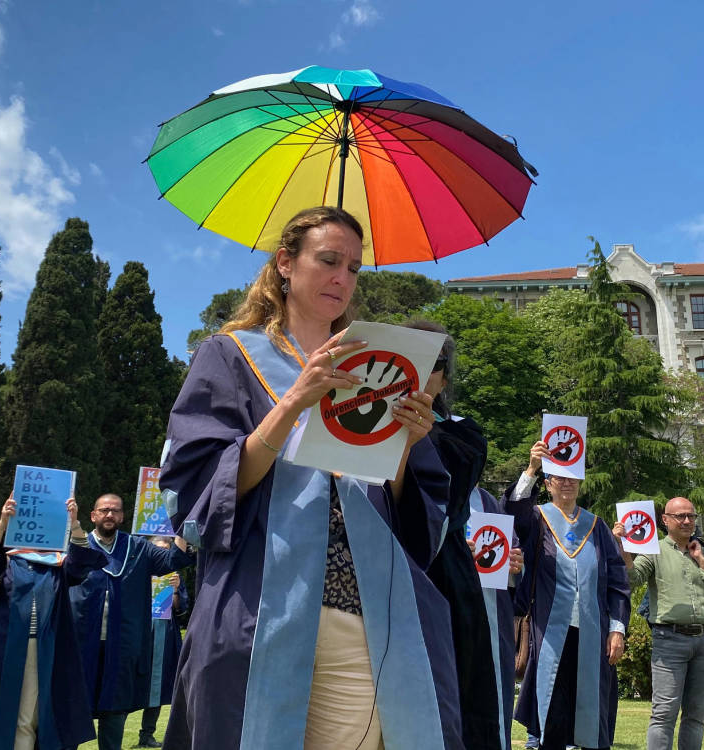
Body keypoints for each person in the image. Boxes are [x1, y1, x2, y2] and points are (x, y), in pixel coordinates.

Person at [158, 206, 463, 750]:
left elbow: (412, 520)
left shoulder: (374, 365)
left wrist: (404, 447)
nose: (342, 277)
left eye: (353, 267)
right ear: (285, 264)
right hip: (260, 608)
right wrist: (295, 399)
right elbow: (199, 493)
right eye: (327, 260)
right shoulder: (229, 357)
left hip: (358, 610)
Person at [407, 318, 523, 750]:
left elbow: (446, 497)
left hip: (443, 581)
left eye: (430, 361)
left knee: (452, 701)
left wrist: (415, 433)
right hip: (373, 572)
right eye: (405, 358)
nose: (418, 370)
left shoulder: (461, 434)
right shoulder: (360, 423)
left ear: (444, 376)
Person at [0, 495, 107, 750]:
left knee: (30, 717)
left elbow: (81, 566)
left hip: (43, 651)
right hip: (3, 653)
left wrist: (74, 525)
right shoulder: (5, 562)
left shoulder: (56, 566)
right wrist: (2, 523)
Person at [508, 441, 630, 750]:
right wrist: (532, 467)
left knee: (591, 716)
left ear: (579, 482)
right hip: (551, 633)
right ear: (548, 484)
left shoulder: (598, 527)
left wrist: (617, 628)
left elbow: (617, 580)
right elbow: (513, 513)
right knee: (553, 718)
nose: (566, 483)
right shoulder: (538, 519)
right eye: (558, 477)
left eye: (572, 477)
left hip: (593, 633)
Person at [69, 493, 194, 750]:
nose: (109, 515)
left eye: (115, 510)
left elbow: (175, 560)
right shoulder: (78, 546)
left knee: (114, 714)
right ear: (93, 515)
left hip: (121, 647)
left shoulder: (137, 548)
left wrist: (180, 522)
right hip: (81, 643)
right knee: (72, 709)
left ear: (123, 516)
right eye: (104, 510)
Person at [614, 496, 704, 750]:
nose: (687, 520)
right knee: (664, 714)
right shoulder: (653, 551)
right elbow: (631, 579)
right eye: (680, 516)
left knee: (696, 715)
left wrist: (702, 561)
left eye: (691, 515)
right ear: (665, 520)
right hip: (670, 640)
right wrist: (623, 547)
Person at [135, 537, 190, 749]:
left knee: (156, 684)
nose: (162, 555)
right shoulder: (138, 574)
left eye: (166, 551)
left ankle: (146, 734)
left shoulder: (173, 577)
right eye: (158, 550)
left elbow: (181, 610)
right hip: (139, 631)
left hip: (164, 632)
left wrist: (175, 589)